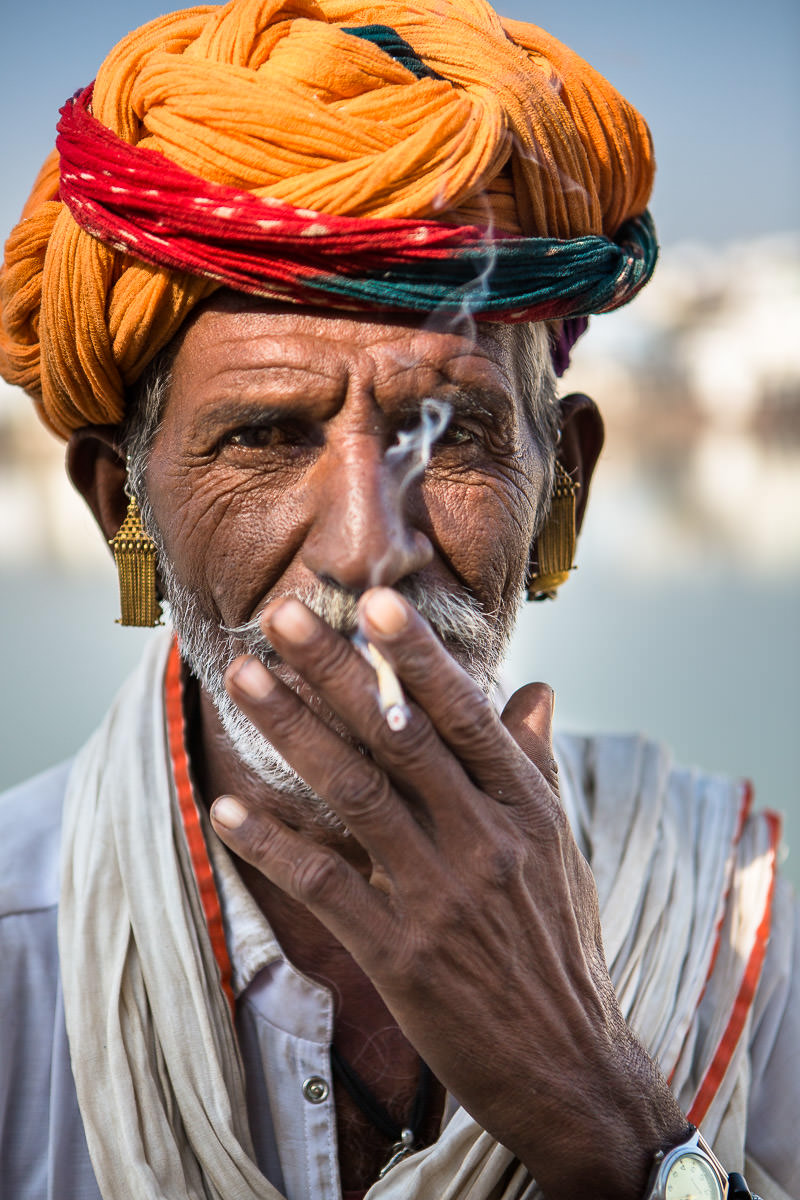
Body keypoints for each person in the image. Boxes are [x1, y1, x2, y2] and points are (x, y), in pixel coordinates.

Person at [0, 3, 797, 1199]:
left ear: (560, 481)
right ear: (122, 499)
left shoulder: (751, 919)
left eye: (452, 433)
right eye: (264, 438)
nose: (371, 551)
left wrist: (597, 1108)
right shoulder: (20, 947)